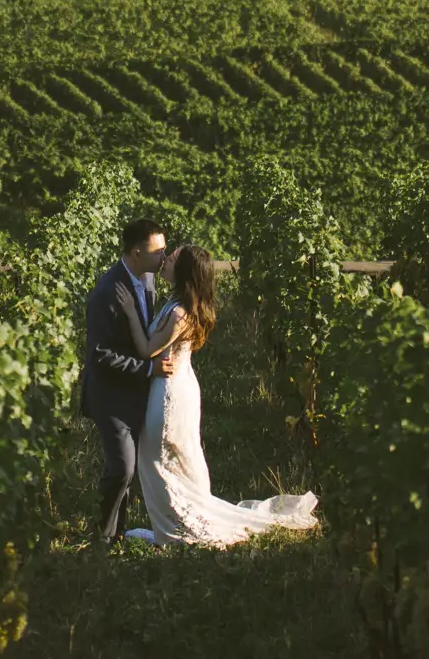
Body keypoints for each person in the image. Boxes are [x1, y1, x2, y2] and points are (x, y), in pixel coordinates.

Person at [127, 245, 317, 547]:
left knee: (158, 459)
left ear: (184, 271)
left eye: (172, 258)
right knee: (175, 459)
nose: (165, 260)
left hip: (170, 392)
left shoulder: (178, 313)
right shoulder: (179, 304)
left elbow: (147, 348)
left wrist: (123, 318)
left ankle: (178, 530)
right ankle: (173, 526)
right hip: (178, 384)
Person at [81, 217, 175, 546]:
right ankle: (102, 539)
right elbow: (100, 355)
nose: (164, 256)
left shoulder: (146, 277)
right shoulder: (107, 292)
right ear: (136, 253)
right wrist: (149, 370)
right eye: (157, 251)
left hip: (135, 392)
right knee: (122, 467)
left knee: (129, 468)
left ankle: (116, 533)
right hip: (110, 394)